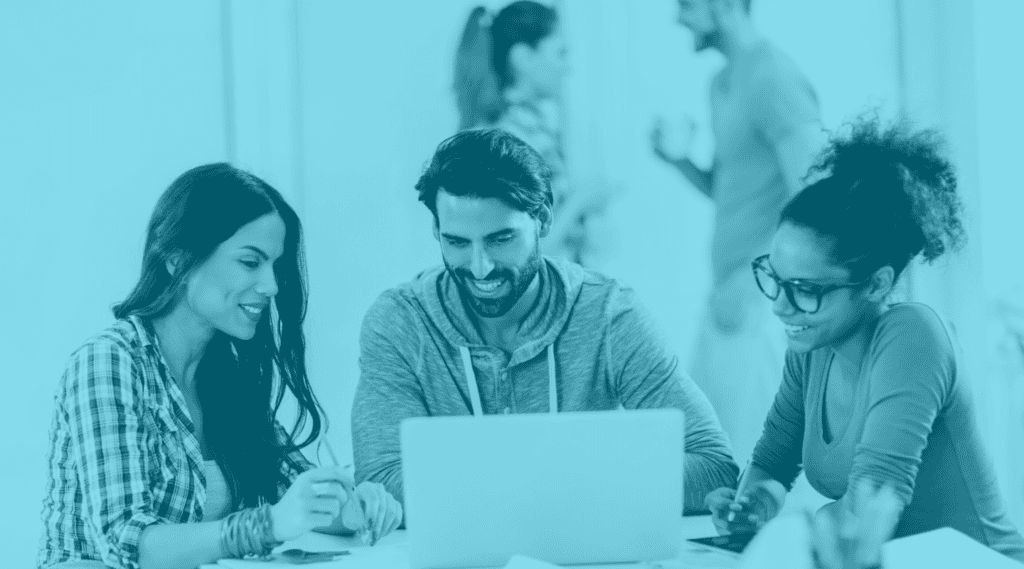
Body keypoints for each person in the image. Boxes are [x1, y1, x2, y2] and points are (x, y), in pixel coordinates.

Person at [351, 129, 738, 513]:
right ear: (437, 230)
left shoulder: (609, 313)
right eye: (457, 242)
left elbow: (713, 466)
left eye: (501, 240)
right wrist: (585, 484)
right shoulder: (399, 321)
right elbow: (380, 479)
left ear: (544, 221)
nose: (480, 268)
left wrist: (513, 489)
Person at [37, 164, 402, 569]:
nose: (272, 285)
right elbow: (131, 544)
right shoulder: (109, 362)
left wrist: (350, 507)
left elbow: (295, 491)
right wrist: (270, 523)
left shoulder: (227, 371)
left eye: (275, 266)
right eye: (250, 262)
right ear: (177, 258)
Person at [703, 117, 1024, 562]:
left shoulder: (914, 337)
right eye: (775, 278)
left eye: (807, 290)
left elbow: (868, 511)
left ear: (876, 284)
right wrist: (754, 506)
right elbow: (772, 464)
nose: (780, 305)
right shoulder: (813, 344)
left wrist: (795, 530)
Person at [651, 0, 826, 466]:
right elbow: (733, 192)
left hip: (761, 303)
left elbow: (817, 201)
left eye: (686, 4)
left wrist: (755, 285)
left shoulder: (774, 78)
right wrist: (678, 161)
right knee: (703, 459)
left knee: (755, 469)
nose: (678, 17)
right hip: (728, 298)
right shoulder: (723, 83)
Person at [455, 1, 616, 265]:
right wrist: (580, 201)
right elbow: (513, 255)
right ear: (524, 58)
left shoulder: (533, 127)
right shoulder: (501, 142)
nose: (568, 67)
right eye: (561, 53)